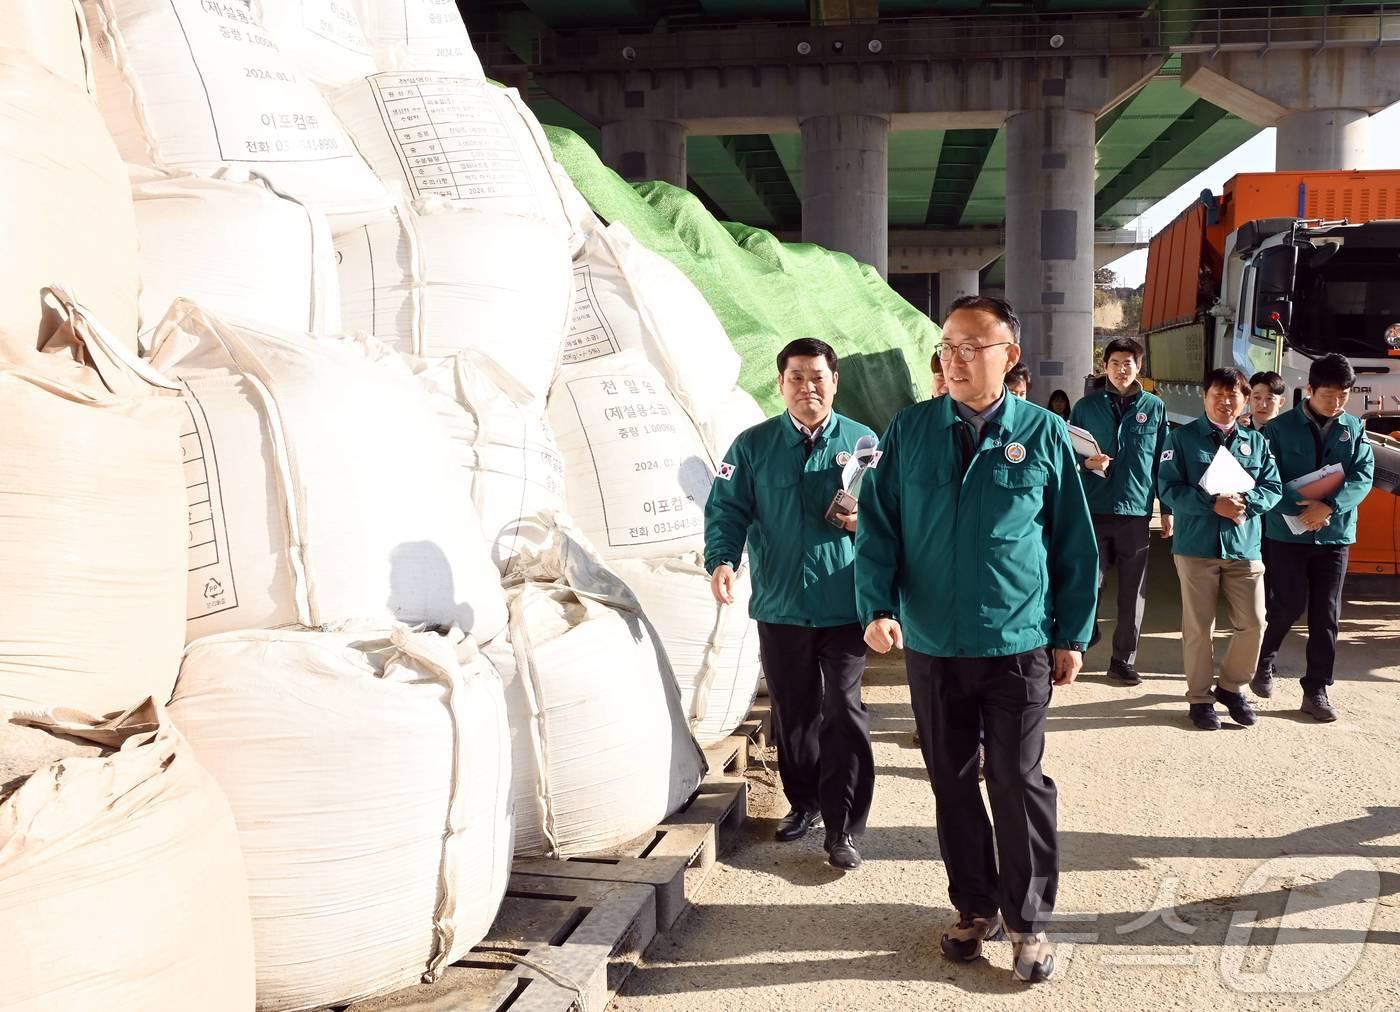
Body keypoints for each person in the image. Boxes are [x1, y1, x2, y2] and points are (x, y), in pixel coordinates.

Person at [856, 295, 1098, 984]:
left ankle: (1029, 922)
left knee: (1017, 782)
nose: (954, 360)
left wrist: (1072, 633)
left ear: (1008, 355)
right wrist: (877, 605)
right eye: (947, 347)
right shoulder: (910, 429)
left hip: (1016, 641)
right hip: (934, 643)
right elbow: (878, 526)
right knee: (953, 781)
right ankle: (975, 906)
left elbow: (1073, 543)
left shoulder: (1044, 433)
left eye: (971, 347)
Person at [704, 337, 876, 871]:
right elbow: (726, 510)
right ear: (780, 384)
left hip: (845, 604)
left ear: (835, 382)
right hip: (780, 606)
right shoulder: (752, 446)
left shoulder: (864, 443)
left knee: (843, 709)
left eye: (818, 377)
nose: (808, 387)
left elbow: (893, 513)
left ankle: (844, 827)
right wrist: (722, 559)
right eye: (796, 377)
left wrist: (863, 522)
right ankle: (804, 803)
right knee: (794, 713)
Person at [1157, 367, 1282, 731]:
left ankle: (1230, 686)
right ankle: (1199, 699)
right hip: (1196, 546)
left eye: (1233, 396)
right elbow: (1168, 488)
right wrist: (1212, 505)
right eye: (1218, 395)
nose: (1226, 402)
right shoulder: (1181, 439)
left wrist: (1246, 503)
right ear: (1205, 397)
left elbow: (1273, 487)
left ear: (1244, 400)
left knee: (1254, 623)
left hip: (1244, 546)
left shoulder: (1256, 442)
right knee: (1199, 627)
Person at [1254, 354, 1375, 721]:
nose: (1336, 403)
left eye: (1343, 395)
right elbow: (1265, 477)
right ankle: (1263, 661)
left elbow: (1363, 474)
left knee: (1326, 613)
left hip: (1334, 534)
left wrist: (1330, 508)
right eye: (1328, 395)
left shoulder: (1353, 428)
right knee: (1287, 604)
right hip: (1287, 533)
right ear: (1309, 389)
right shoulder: (1279, 429)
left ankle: (1316, 689)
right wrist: (1301, 509)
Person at [1068, 337, 1173, 685]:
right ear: (1105, 367)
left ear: (1138, 367)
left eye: (1128, 363)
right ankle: (1080, 643)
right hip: (1093, 508)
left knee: (1133, 592)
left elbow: (1163, 462)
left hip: (1135, 511)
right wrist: (1086, 464)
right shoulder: (1086, 407)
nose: (1121, 369)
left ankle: (1123, 660)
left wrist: (1167, 509)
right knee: (1088, 585)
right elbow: (1067, 454)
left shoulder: (1154, 408)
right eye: (1114, 363)